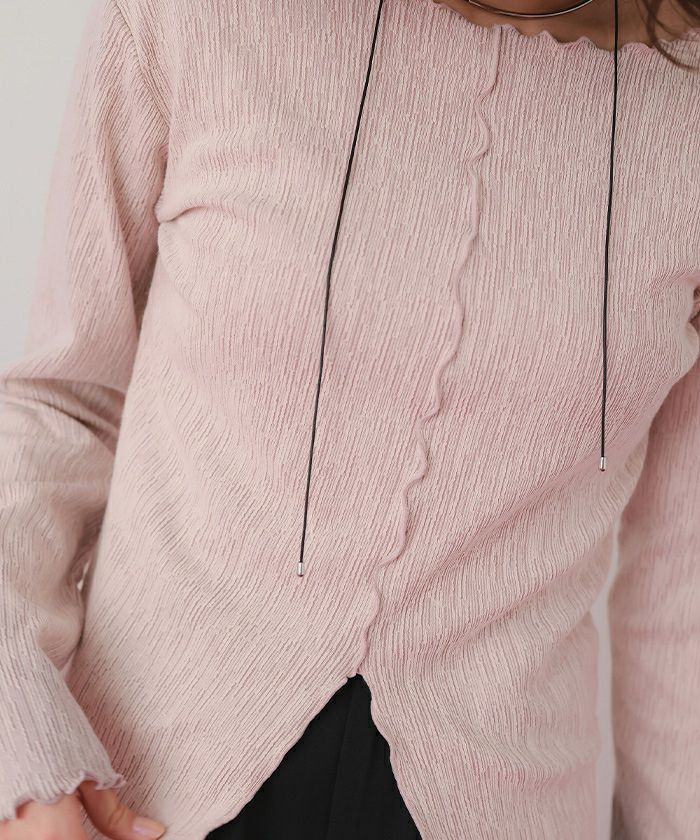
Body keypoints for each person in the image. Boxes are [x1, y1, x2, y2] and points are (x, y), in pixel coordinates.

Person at [0, 0, 699, 838]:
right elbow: (62, 407)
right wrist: (23, 762)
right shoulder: (203, 17)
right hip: (135, 800)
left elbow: (680, 599)